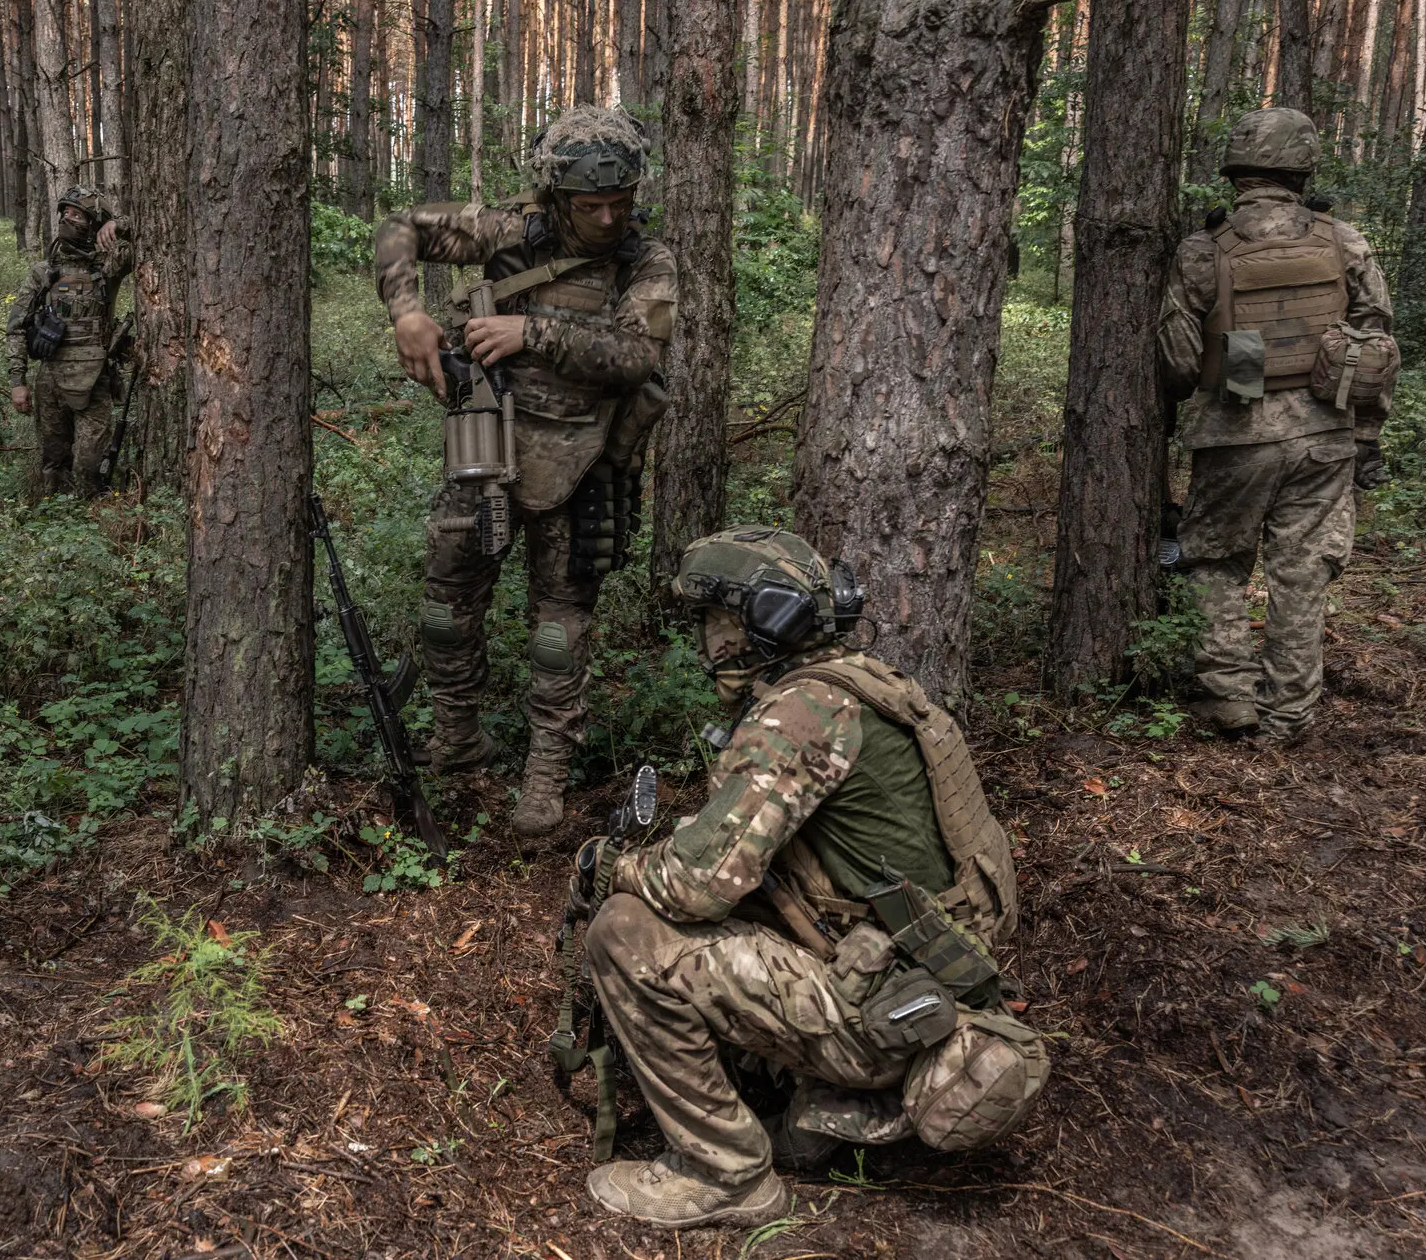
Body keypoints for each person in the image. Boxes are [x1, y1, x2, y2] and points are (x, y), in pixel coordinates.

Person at [570, 527, 1045, 1229]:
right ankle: (822, 1109)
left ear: (751, 623)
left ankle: (724, 1174)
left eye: (711, 620)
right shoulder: (870, 687)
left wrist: (610, 866)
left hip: (885, 1016)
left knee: (626, 932)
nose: (706, 640)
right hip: (923, 991)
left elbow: (696, 887)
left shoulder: (804, 713)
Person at [373, 105, 675, 838]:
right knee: (446, 611)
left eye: (619, 202)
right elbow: (398, 228)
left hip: (584, 462)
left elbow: (639, 357)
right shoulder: (508, 229)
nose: (606, 218)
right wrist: (407, 312)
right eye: (588, 204)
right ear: (555, 195)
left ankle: (542, 780)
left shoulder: (647, 262)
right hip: (484, 449)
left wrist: (527, 331)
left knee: (557, 631)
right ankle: (456, 741)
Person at [1160, 107, 1400, 743]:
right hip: (1326, 434)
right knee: (1304, 571)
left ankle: (1229, 696)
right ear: (1302, 166)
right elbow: (1377, 338)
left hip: (1234, 431)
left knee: (1213, 563)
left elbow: (1181, 361)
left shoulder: (1204, 248)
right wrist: (1368, 436)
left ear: (1236, 169)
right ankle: (1288, 713)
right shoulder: (1342, 239)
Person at [4, 186, 134, 498]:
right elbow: (17, 326)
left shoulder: (107, 266)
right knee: (54, 464)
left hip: (95, 381)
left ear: (93, 223)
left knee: (89, 464)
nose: (67, 218)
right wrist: (17, 381)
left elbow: (155, 229)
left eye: (77, 214)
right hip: (50, 381)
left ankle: (92, 521)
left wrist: (119, 224)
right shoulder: (43, 272)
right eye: (65, 212)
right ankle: (55, 521)